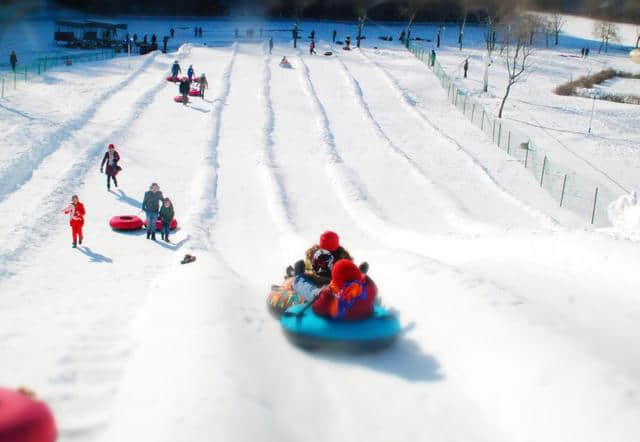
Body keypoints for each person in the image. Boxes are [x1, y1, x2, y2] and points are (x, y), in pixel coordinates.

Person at [312, 259, 377, 320]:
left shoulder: (328, 296)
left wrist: (323, 293)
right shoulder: (371, 289)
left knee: (314, 291)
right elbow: (371, 284)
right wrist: (360, 274)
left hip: (343, 320)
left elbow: (317, 308)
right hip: (361, 314)